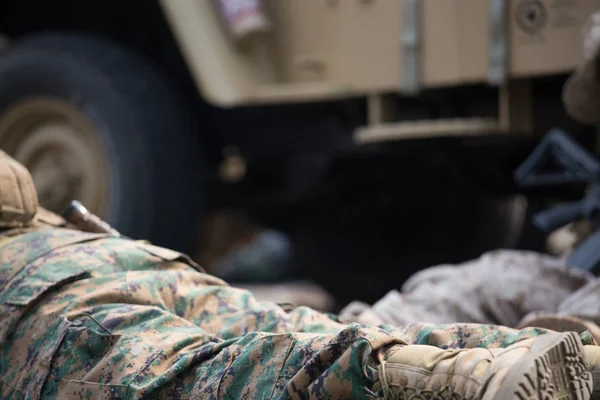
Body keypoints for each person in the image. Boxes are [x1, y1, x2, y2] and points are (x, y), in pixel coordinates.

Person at [1, 153, 599, 399]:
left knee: (220, 378)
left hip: (35, 295)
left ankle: (478, 378)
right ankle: (549, 356)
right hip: (90, 259)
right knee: (294, 334)